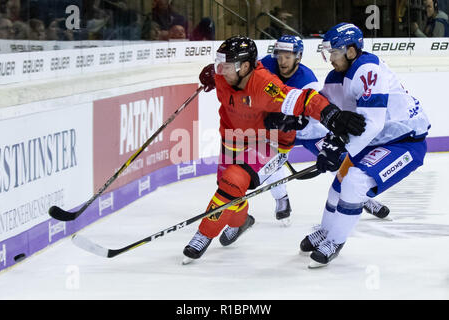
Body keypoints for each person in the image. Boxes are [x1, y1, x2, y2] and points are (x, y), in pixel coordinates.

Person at [182, 35, 367, 264]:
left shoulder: (264, 85)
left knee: (233, 180)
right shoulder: (222, 75)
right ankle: (241, 222)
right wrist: (210, 70)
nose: (221, 70)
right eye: (220, 64)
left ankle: (204, 233)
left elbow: (305, 100)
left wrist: (332, 115)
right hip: (233, 137)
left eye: (226, 66)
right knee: (228, 189)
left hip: (269, 140)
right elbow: (215, 70)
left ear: (245, 66)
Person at [299, 23, 430, 268]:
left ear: (351, 51)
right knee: (339, 182)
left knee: (354, 182)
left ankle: (335, 241)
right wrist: (325, 140)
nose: (330, 59)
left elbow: (372, 124)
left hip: (405, 142)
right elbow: (335, 118)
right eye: (327, 53)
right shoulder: (335, 77)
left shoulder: (368, 70)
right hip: (379, 141)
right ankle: (326, 230)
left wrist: (338, 149)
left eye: (334, 52)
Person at [261, 35, 391, 226]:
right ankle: (281, 199)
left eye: (288, 56)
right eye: (280, 56)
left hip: (310, 132)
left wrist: (296, 121)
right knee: (269, 163)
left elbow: (318, 113)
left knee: (338, 161)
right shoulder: (266, 65)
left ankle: (363, 198)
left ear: (298, 56)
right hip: (280, 132)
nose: (282, 61)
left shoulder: (308, 80)